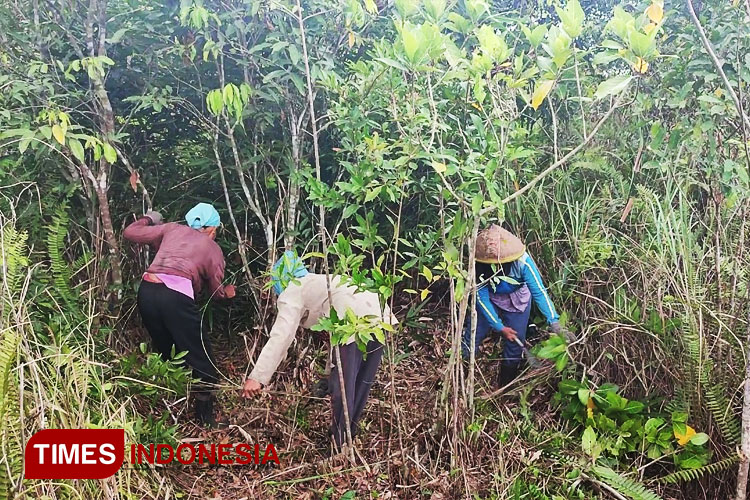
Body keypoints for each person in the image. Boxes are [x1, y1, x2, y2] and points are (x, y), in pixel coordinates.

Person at [242, 251, 397, 449]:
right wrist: (327, 373)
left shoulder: (293, 290)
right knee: (361, 383)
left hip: (352, 321)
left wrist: (258, 377)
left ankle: (339, 444)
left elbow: (281, 337)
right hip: (379, 317)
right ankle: (347, 435)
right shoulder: (320, 281)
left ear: (280, 278)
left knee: (344, 386)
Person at [123, 202, 236, 427]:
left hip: (146, 290)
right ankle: (205, 417)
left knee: (167, 348)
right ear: (213, 229)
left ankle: (165, 405)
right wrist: (228, 293)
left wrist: (149, 218)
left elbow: (130, 232)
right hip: (174, 297)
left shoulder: (171, 229)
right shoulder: (212, 248)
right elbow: (216, 292)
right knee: (201, 354)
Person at [462, 224, 563, 387]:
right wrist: (499, 326)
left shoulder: (523, 262)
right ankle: (463, 374)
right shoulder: (479, 265)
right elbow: (481, 299)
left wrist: (554, 321)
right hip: (491, 298)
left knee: (516, 341)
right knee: (473, 334)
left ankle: (504, 387)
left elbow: (539, 292)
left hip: (518, 299)